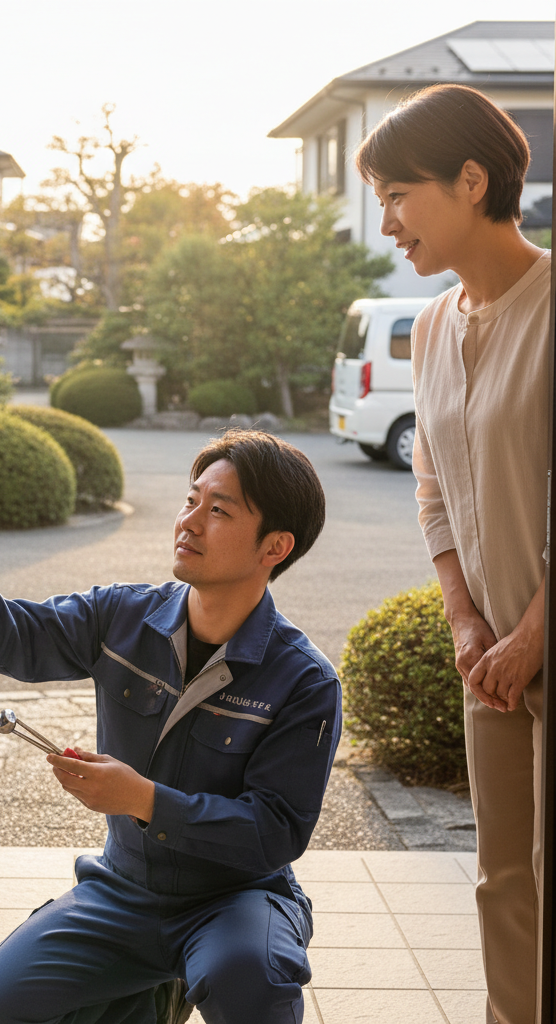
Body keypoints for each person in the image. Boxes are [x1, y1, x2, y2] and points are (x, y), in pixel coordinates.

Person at [0, 429, 341, 1024]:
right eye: (190, 499)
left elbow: (275, 831)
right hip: (124, 890)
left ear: (274, 547)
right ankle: (149, 996)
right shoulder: (123, 615)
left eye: (219, 510)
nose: (190, 521)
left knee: (248, 977)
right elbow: (19, 638)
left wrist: (144, 799)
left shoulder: (304, 681)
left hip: (237, 899)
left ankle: (178, 979)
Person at [355, 84, 549, 1024]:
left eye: (398, 194)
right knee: (502, 880)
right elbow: (433, 487)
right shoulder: (430, 326)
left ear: (473, 180)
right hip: (490, 657)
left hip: (542, 640)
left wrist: (531, 635)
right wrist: (468, 622)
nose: (387, 221)